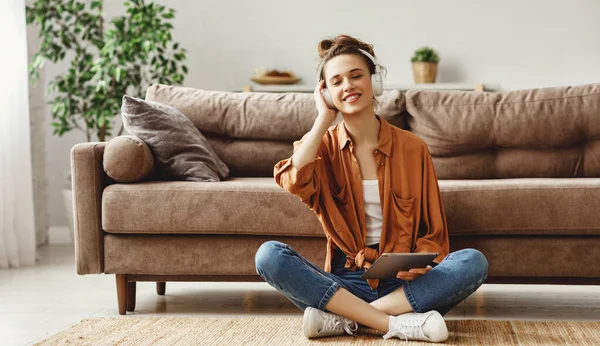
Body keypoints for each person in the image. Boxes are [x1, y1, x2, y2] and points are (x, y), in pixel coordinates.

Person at [255, 34, 488, 343]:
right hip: (342, 285)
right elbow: (295, 180)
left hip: (403, 286)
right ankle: (397, 324)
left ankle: (347, 321)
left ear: (374, 82)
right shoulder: (320, 146)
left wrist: (421, 265)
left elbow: (435, 233)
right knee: (269, 256)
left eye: (356, 76)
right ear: (325, 94)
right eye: (336, 82)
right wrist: (323, 118)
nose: (348, 86)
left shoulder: (413, 148)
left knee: (473, 262)